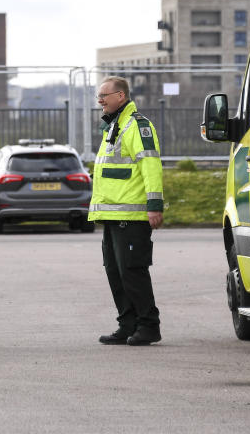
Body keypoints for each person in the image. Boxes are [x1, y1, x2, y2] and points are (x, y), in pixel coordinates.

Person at [89, 76, 164, 346]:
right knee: (115, 272)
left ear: (120, 96)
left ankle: (148, 325)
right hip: (113, 215)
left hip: (131, 216)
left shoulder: (138, 126)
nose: (100, 100)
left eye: (104, 96)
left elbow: (151, 167)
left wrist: (154, 206)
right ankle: (128, 323)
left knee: (133, 272)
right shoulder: (115, 126)